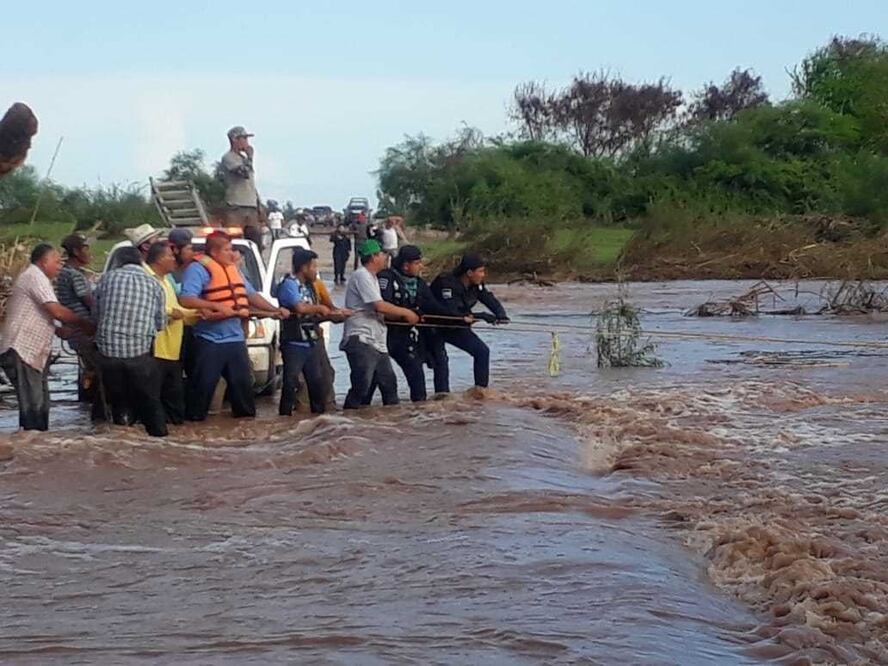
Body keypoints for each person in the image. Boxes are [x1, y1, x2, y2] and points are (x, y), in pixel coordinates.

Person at [178, 231, 288, 421]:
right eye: (228, 250)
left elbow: (251, 295)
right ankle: (193, 430)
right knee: (202, 390)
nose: (233, 254)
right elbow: (187, 299)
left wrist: (275, 310)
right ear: (214, 251)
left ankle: (244, 434)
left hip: (236, 340)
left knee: (244, 389)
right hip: (209, 341)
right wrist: (214, 305)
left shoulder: (233, 270)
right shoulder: (197, 270)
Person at [0, 244, 93, 431]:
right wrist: (84, 324)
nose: (60, 266)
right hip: (22, 349)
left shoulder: (37, 278)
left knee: (40, 404)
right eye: (57, 262)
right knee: (33, 407)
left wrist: (59, 330)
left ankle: (36, 448)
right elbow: (56, 310)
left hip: (31, 351)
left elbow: (41, 313)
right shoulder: (36, 277)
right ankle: (30, 449)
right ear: (44, 262)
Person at [93, 247, 168, 437]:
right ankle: (159, 440)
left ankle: (122, 435)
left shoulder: (106, 279)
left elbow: (96, 316)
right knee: (151, 402)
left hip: (108, 354)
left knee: (118, 403)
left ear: (118, 262)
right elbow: (160, 324)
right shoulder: (154, 284)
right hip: (139, 355)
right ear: (140, 261)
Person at [378, 245, 464, 402]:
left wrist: (459, 318)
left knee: (419, 374)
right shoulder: (387, 278)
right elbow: (384, 305)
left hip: (408, 336)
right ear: (406, 265)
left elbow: (433, 306)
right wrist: (407, 314)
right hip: (384, 335)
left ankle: (421, 411)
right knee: (373, 380)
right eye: (417, 263)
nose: (421, 267)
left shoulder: (419, 283)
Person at [341, 239, 419, 409]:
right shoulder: (362, 275)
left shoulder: (373, 278)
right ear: (374, 257)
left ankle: (388, 428)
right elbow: (379, 305)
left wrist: (402, 317)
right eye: (383, 254)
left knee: (389, 386)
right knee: (362, 387)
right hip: (361, 338)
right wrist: (406, 313)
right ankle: (345, 424)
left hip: (377, 341)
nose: (386, 257)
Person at [277, 249, 350, 416]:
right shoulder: (290, 284)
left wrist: (336, 315)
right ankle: (284, 418)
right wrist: (319, 308)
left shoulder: (310, 286)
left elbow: (315, 316)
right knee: (291, 382)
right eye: (314, 266)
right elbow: (300, 308)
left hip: (311, 342)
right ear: (304, 267)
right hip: (294, 343)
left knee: (317, 383)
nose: (316, 270)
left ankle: (318, 419)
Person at [429, 254, 509, 392]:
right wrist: (482, 316)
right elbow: (451, 312)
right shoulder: (446, 284)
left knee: (482, 352)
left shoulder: (476, 285)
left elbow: (488, 298)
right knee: (441, 362)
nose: (483, 275)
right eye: (481, 271)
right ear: (469, 273)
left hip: (457, 325)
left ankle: (481, 392)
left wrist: (500, 315)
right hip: (435, 326)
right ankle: (441, 399)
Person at [145, 241, 200, 426]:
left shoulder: (166, 281)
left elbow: (178, 311)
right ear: (160, 259)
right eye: (170, 256)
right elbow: (148, 306)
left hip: (172, 350)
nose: (173, 260)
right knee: (154, 402)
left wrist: (200, 314)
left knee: (174, 404)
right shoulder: (146, 277)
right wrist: (171, 312)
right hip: (155, 350)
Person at [56, 233, 103, 414]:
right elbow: (90, 301)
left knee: (89, 367)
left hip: (76, 329)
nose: (89, 253)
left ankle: (85, 409)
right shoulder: (74, 274)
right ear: (76, 251)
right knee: (95, 368)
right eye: (86, 248)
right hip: (82, 329)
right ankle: (94, 411)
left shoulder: (66, 272)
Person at [221, 126, 263, 247]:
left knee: (255, 242)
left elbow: (250, 183)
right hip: (236, 206)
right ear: (235, 139)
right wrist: (250, 157)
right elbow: (243, 173)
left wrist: (259, 203)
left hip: (251, 205)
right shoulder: (229, 158)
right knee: (235, 241)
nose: (247, 142)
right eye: (244, 138)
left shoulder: (243, 159)